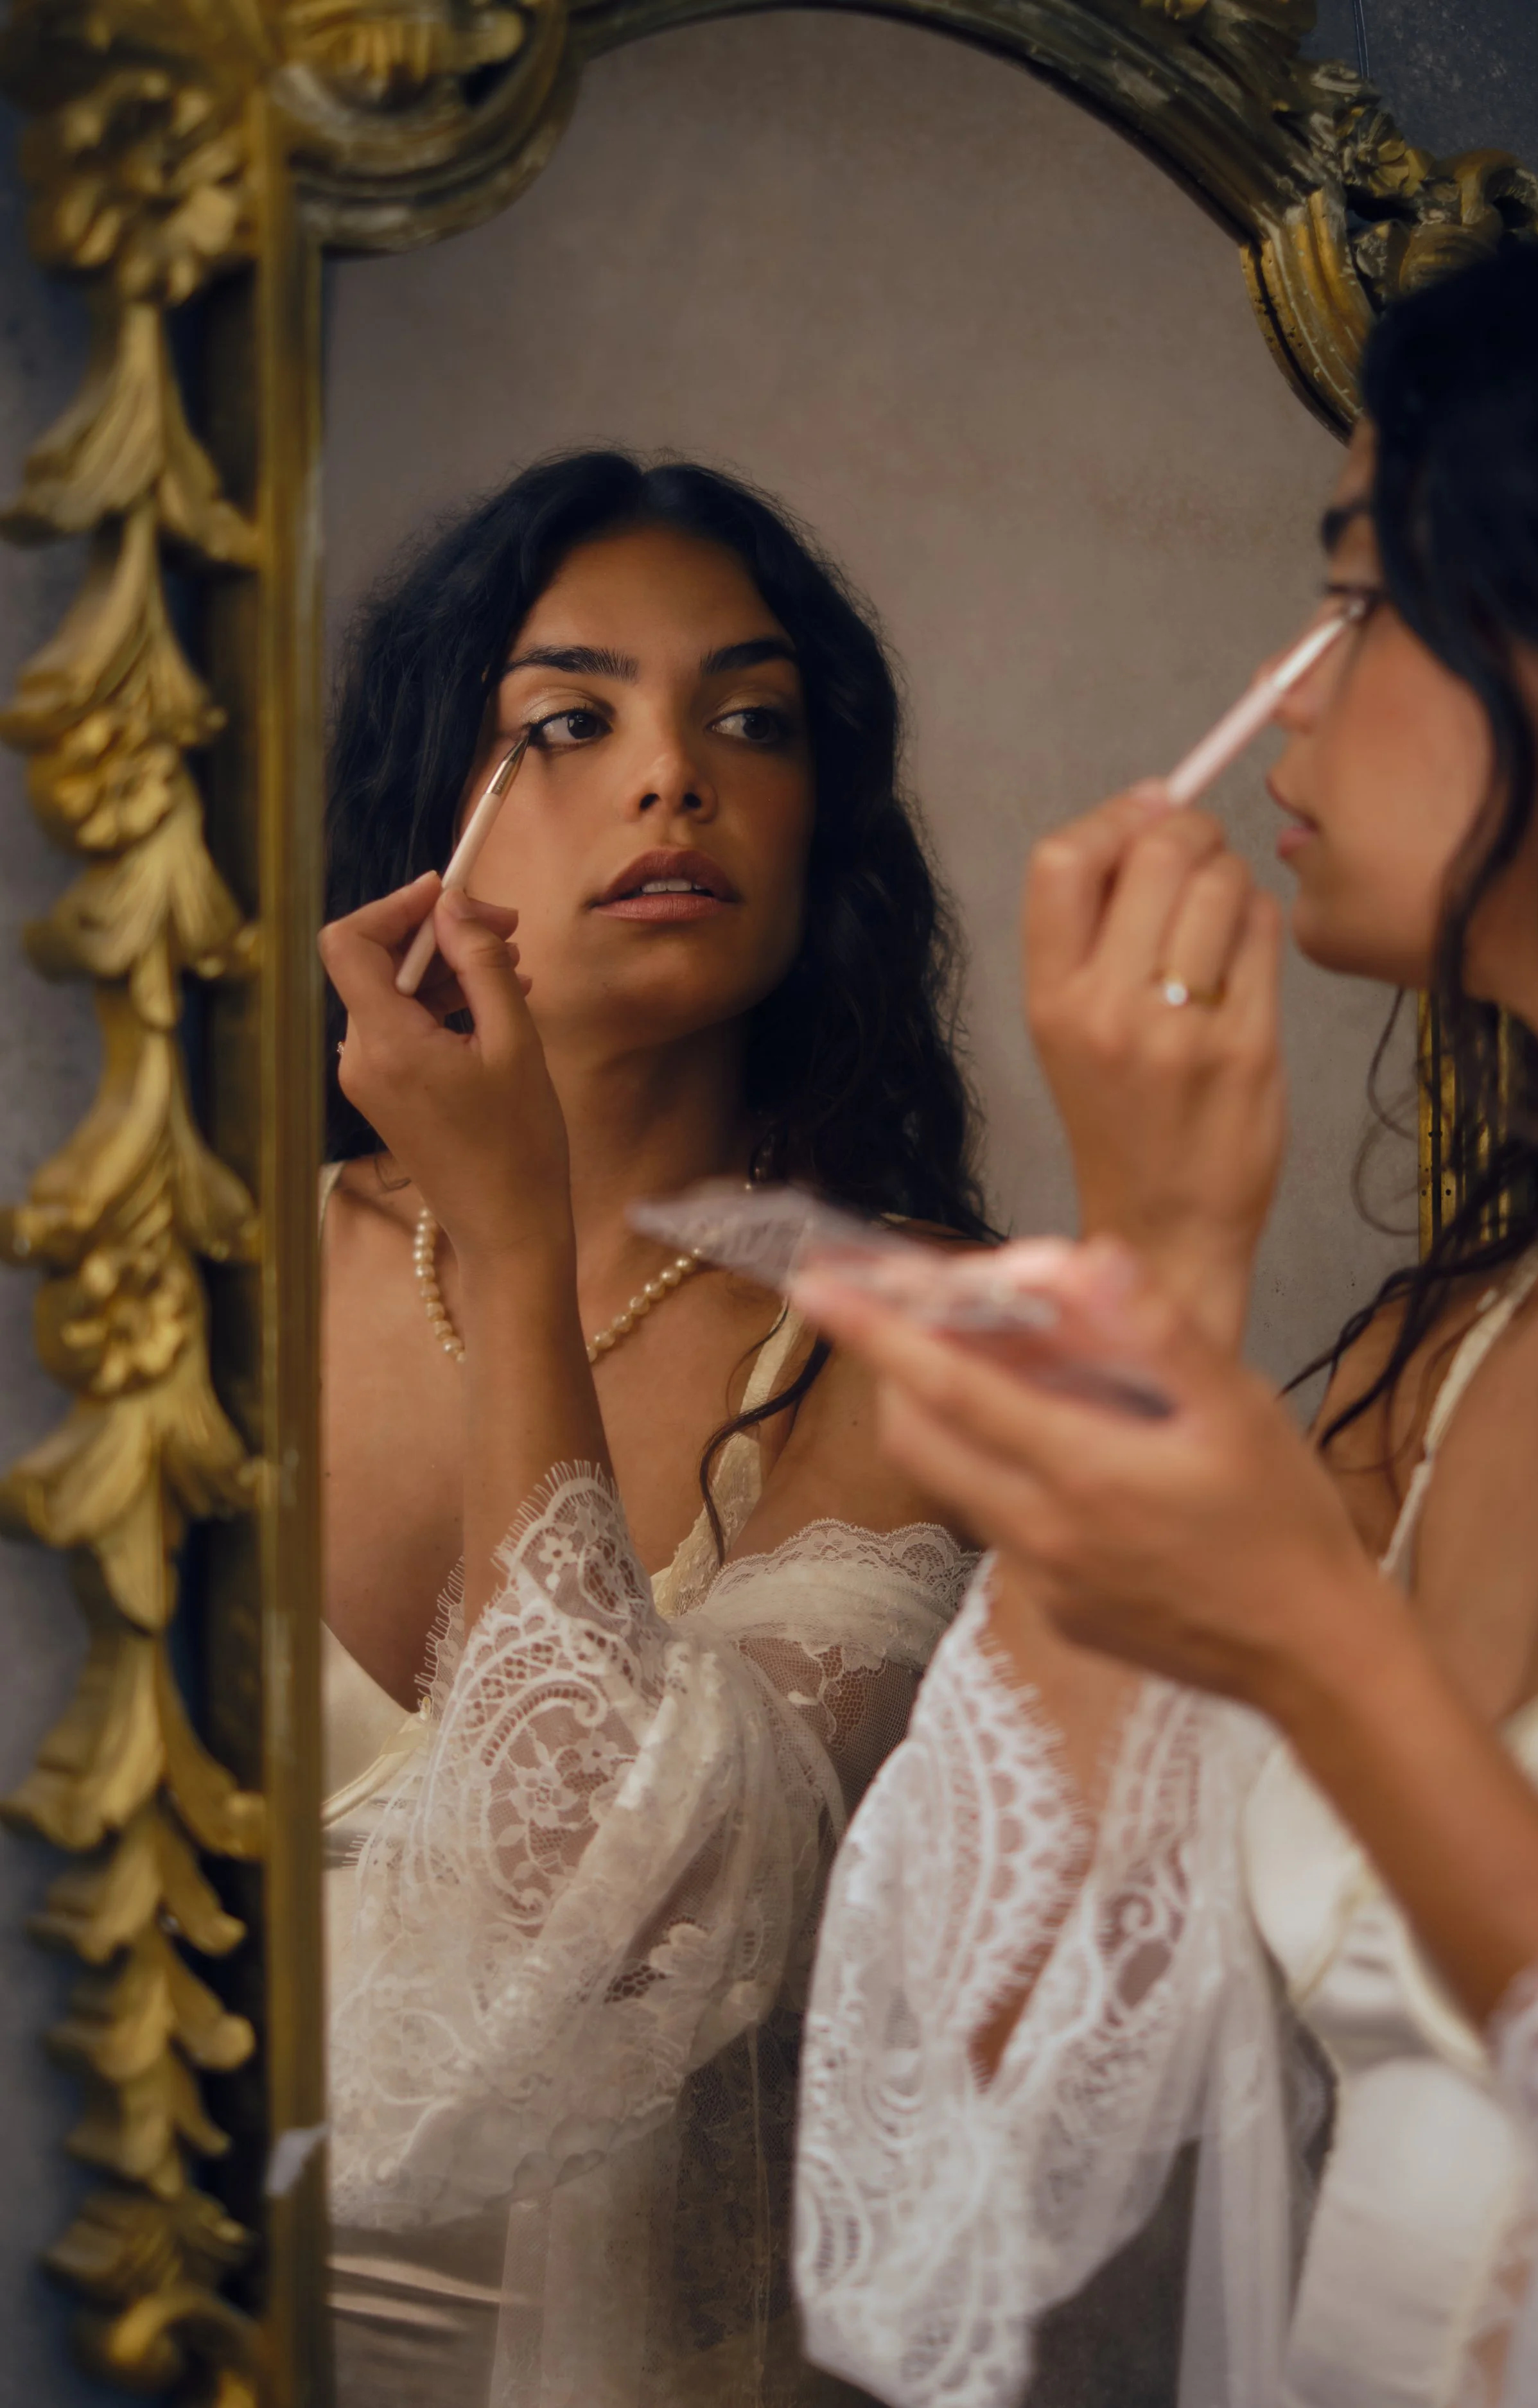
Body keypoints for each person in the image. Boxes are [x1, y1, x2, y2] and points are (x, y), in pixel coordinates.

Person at [788, 221, 1538, 2408]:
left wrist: (1312, 1644)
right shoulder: (1443, 1370)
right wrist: (1155, 1260)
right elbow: (944, 2184)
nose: (1301, 684)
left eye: (1354, 592)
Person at [315, 453, 987, 2408]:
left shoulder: (914, 1340)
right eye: (570, 720)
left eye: (749, 721)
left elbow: (602, 1912)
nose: (672, 776)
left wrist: (519, 1243)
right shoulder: (191, 1260)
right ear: (429, 812)